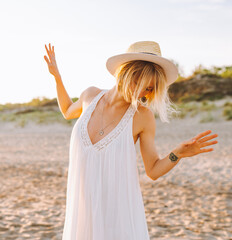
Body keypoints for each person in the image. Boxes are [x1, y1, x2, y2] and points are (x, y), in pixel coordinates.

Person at [44, 41, 218, 240]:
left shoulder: (142, 117)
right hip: (82, 213)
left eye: (150, 89)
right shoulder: (90, 95)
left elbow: (152, 170)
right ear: (125, 73)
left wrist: (176, 154)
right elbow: (67, 111)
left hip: (117, 218)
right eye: (140, 83)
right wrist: (57, 77)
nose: (142, 93)